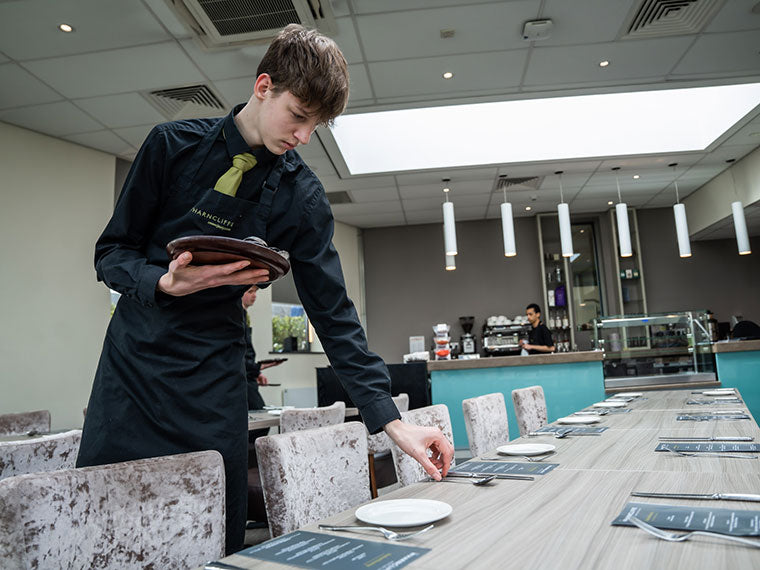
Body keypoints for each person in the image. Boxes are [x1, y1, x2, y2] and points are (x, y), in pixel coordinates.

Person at [77, 24, 452, 553]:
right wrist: (163, 282)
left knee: (207, 534)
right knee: (102, 524)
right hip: (132, 371)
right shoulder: (171, 147)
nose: (302, 136)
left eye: (315, 126)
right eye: (298, 116)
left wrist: (391, 422)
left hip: (213, 378)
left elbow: (334, 315)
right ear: (263, 86)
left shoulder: (302, 196)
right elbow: (111, 253)